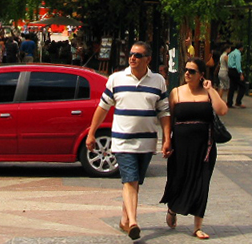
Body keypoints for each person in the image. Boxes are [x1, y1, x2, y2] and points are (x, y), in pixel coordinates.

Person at [86, 41, 171, 241]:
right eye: (131, 54)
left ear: (148, 59)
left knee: (134, 182)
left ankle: (124, 219)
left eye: (138, 55)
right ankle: (133, 222)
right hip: (122, 141)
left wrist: (167, 138)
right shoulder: (116, 79)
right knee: (130, 180)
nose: (132, 58)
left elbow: (164, 111)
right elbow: (103, 107)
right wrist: (92, 133)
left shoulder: (158, 81)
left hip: (147, 142)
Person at [161, 57, 228, 239]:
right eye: (186, 70)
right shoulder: (176, 92)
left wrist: (210, 89)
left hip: (204, 147)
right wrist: (166, 140)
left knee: (202, 183)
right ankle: (173, 208)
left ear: (201, 75)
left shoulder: (207, 93)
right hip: (181, 145)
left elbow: (222, 110)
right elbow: (169, 118)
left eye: (192, 71)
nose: (187, 74)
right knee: (178, 179)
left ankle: (197, 226)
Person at [226, 43, 246, 109]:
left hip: (230, 70)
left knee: (232, 87)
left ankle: (229, 102)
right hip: (235, 70)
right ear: (241, 48)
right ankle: (238, 101)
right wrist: (240, 73)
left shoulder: (231, 53)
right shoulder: (238, 54)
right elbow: (238, 64)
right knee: (243, 86)